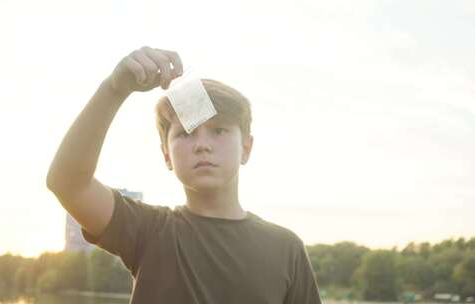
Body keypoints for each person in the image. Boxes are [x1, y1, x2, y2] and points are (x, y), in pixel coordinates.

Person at [46, 46, 322, 304]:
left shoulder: (287, 249)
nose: (202, 144)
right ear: (167, 154)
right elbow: (67, 183)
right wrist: (114, 89)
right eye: (186, 133)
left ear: (246, 149)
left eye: (218, 130)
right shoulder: (148, 230)